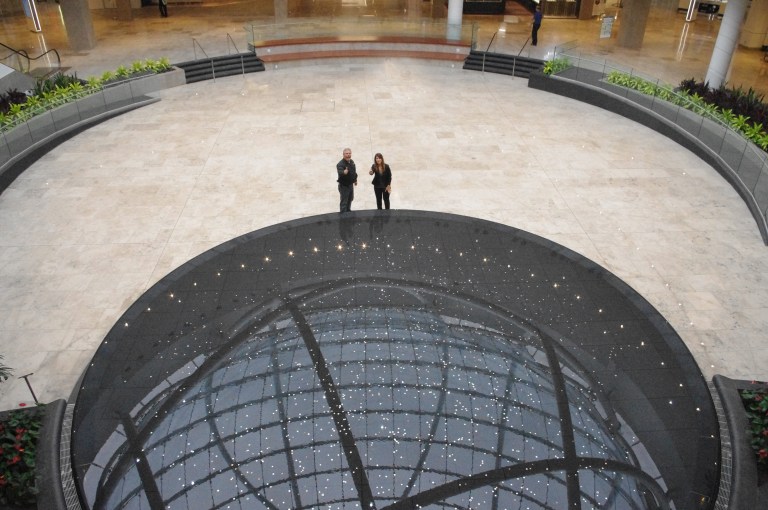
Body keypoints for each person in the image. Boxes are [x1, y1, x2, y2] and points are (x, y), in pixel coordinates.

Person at [336, 147, 357, 213]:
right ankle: (343, 216)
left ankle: (348, 213)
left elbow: (354, 172)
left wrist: (355, 180)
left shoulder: (352, 162)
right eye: (346, 153)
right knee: (344, 202)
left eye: (349, 153)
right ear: (343, 154)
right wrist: (344, 172)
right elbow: (340, 172)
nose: (348, 155)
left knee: (350, 199)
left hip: (350, 184)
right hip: (344, 186)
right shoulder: (340, 164)